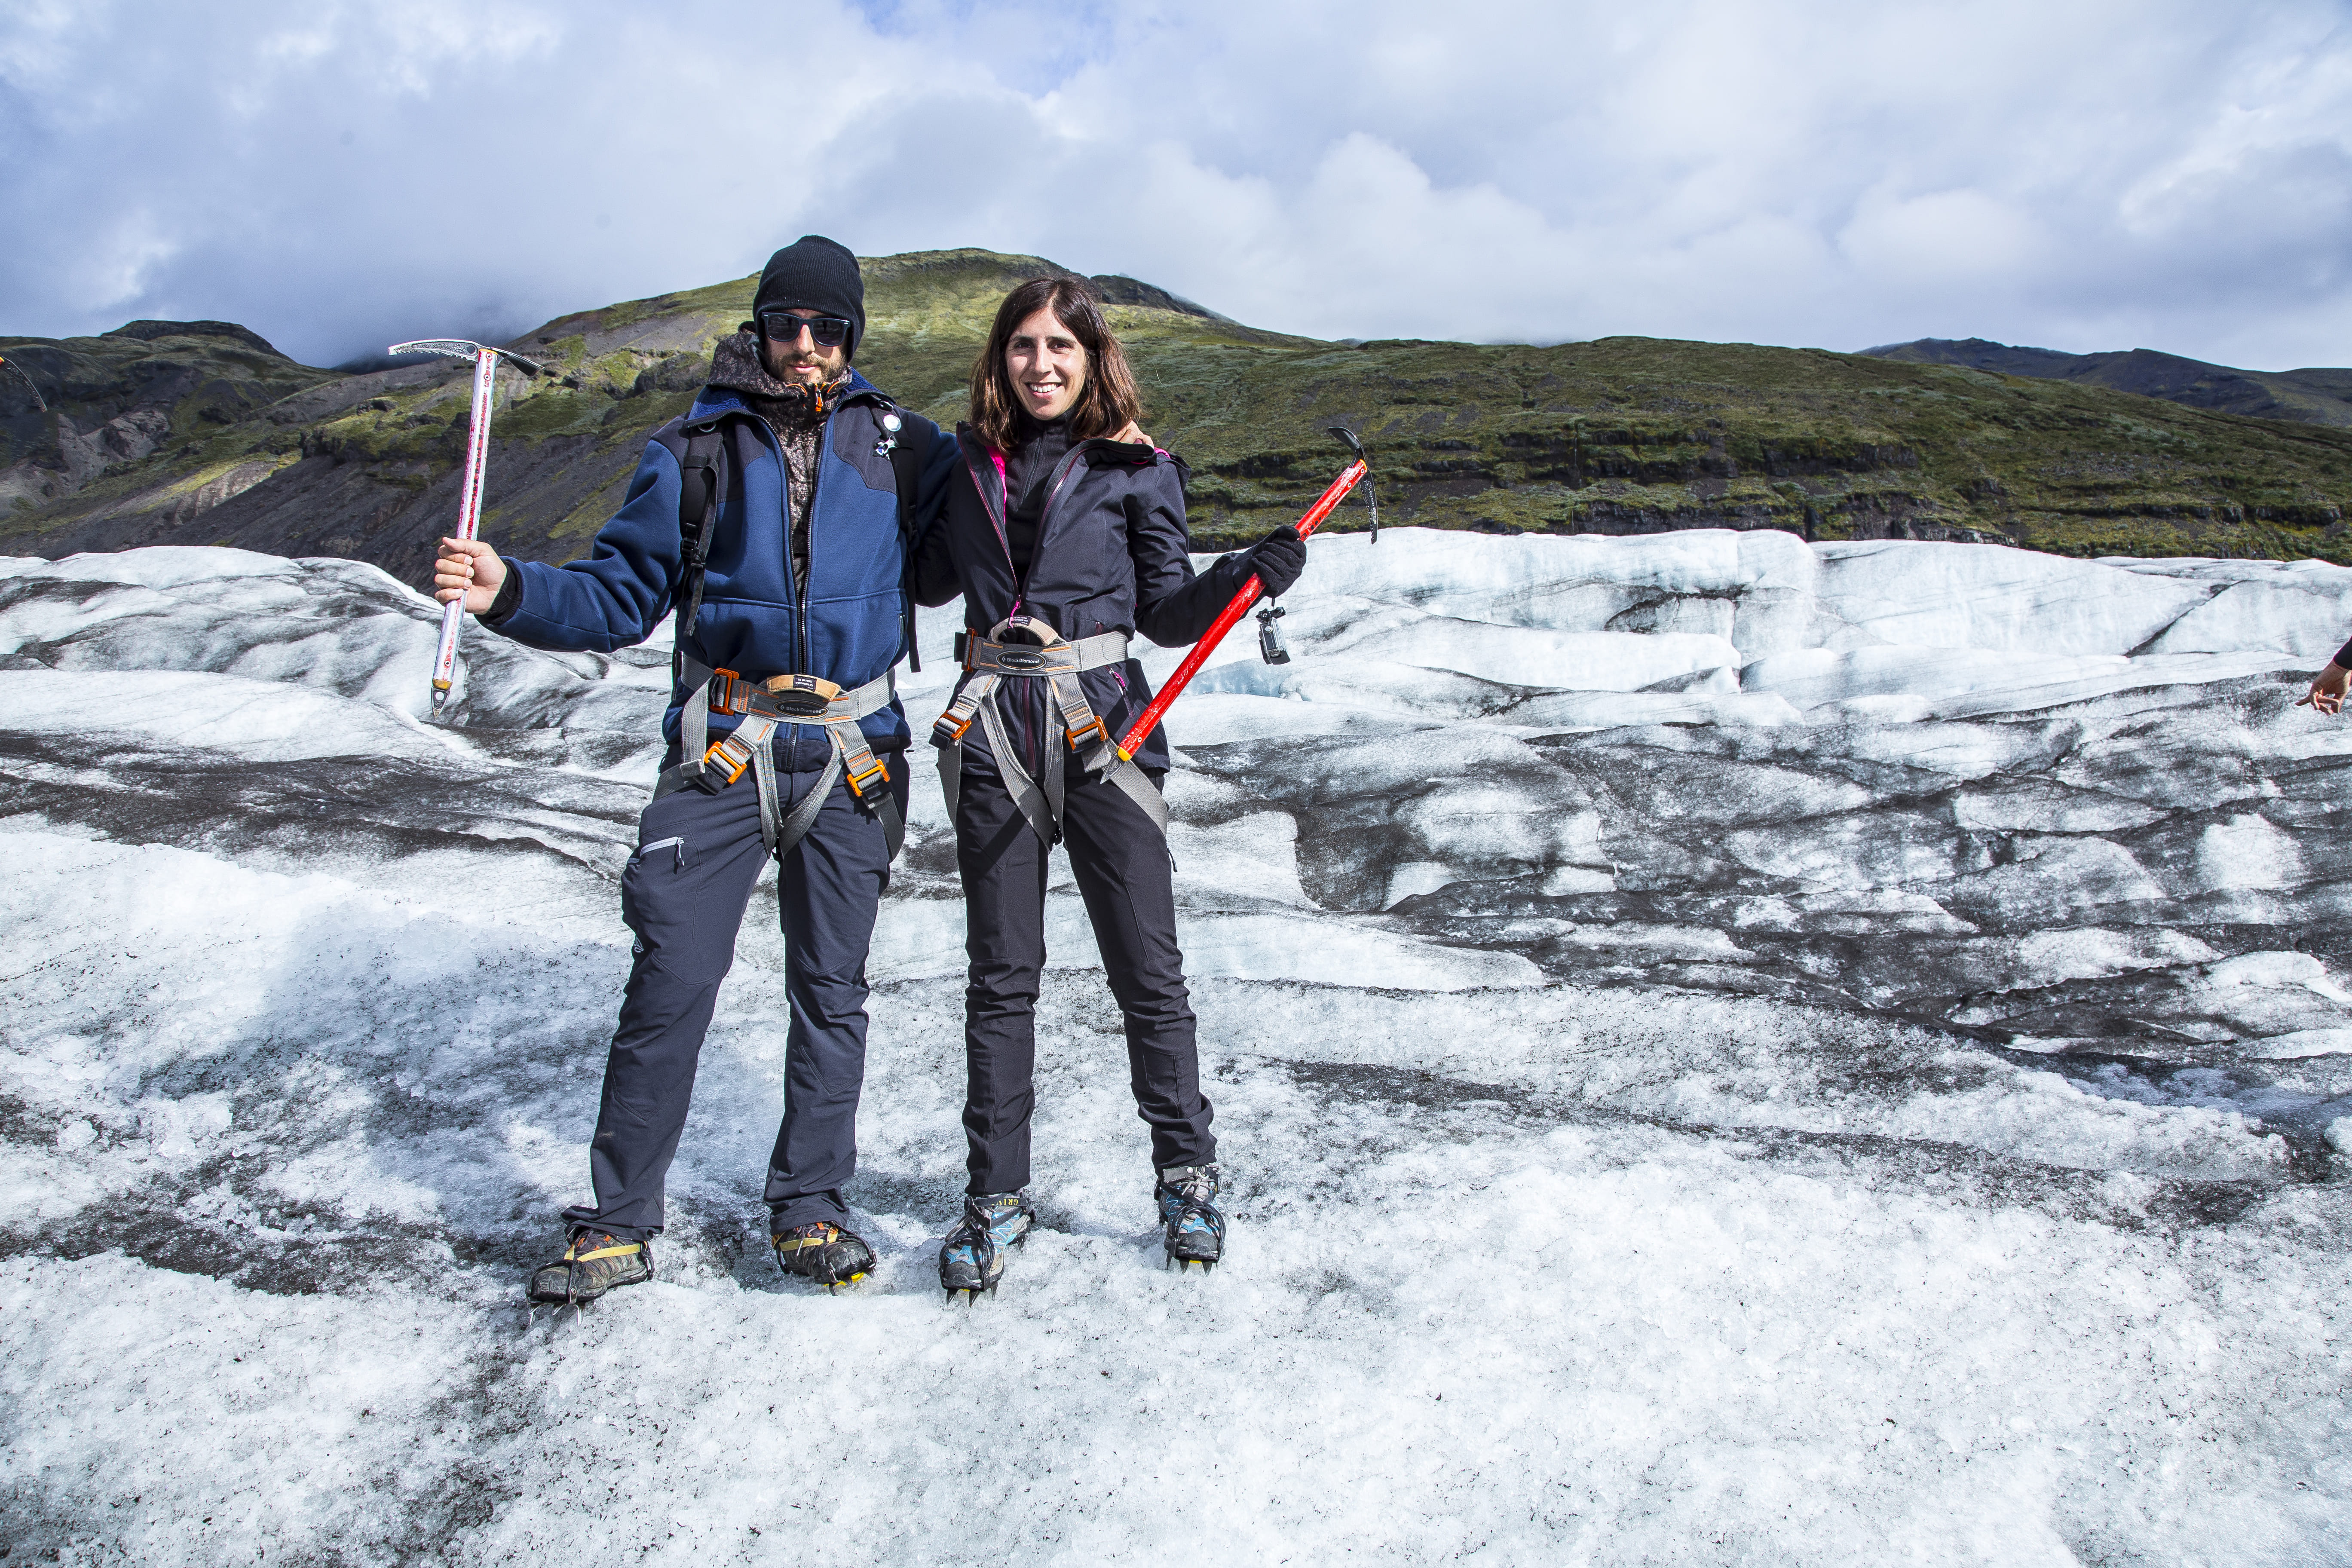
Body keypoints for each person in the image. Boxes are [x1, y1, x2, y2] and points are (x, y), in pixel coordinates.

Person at [432, 235, 956, 1303]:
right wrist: (509, 592)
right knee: (670, 984)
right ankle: (619, 1222)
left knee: (832, 992)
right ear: (759, 328)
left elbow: (991, 536)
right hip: (720, 752)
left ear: (852, 335)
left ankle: (810, 1208)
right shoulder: (692, 450)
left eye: (825, 327)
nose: (803, 345)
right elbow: (619, 598)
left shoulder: (909, 451)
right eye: (785, 324)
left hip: (855, 757)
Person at [910, 277, 1306, 1297]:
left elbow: (1170, 613)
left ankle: (1186, 1179)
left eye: (1061, 348)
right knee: (1002, 977)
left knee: (1147, 969)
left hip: (1107, 730)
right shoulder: (961, 466)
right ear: (999, 359)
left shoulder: (1142, 471)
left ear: (1093, 359)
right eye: (1023, 347)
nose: (1041, 365)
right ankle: (995, 1196)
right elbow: (923, 584)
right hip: (994, 724)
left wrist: (1246, 576)